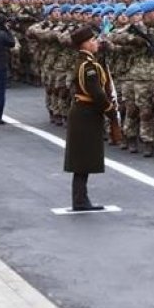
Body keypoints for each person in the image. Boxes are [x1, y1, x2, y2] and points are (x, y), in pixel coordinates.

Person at [64, 26, 112, 211]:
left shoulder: (88, 62)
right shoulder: (87, 66)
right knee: (82, 159)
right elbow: (97, 93)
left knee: (82, 159)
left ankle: (80, 199)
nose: (96, 43)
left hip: (85, 113)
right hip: (85, 114)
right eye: (92, 40)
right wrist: (109, 109)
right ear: (84, 44)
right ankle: (80, 200)